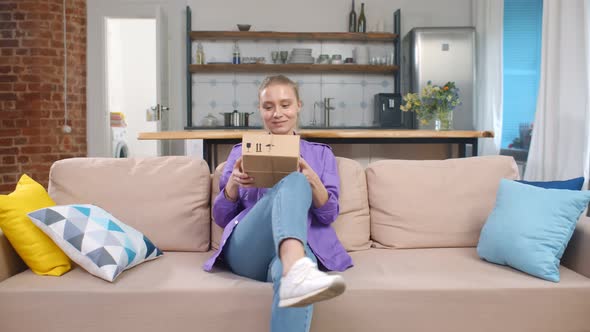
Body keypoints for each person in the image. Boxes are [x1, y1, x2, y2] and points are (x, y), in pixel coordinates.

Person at [203, 75, 353, 332]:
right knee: (294, 181)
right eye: (268, 106)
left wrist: (313, 180)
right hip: (248, 250)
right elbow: (221, 217)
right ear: (260, 110)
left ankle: (293, 266)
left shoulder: (321, 154)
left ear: (298, 106)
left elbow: (328, 216)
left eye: (285, 105)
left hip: (289, 254)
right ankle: (297, 265)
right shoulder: (241, 152)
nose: (277, 113)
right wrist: (233, 185)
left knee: (296, 273)